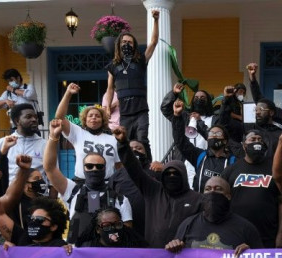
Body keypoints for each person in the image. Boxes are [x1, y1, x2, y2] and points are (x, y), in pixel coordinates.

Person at [43, 119, 132, 245]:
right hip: (77, 256)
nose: (94, 169)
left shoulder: (121, 199)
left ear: (105, 169)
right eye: (89, 166)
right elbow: (49, 168)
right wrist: (53, 137)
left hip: (107, 257)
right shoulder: (72, 190)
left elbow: (127, 236)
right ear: (83, 169)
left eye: (99, 166)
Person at [104, 10, 160, 158]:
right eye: (124, 42)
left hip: (141, 110)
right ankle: (126, 168)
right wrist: (108, 107)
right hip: (125, 113)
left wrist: (155, 20)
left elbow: (153, 42)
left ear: (134, 45)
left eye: (129, 42)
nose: (126, 44)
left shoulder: (140, 61)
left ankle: (147, 166)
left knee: (142, 139)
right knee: (125, 141)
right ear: (118, 45)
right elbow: (110, 88)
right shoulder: (113, 66)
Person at [220, 130, 282, 248]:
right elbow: (222, 201)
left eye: (259, 140)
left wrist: (281, 235)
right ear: (244, 145)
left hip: (267, 236)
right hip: (236, 235)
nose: (257, 142)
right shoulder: (231, 170)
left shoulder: (274, 169)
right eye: (252, 139)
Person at [165, 176, 262, 256]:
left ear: (228, 196)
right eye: (208, 189)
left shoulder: (246, 228)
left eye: (218, 189)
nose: (212, 192)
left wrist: (251, 254)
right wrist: (172, 247)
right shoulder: (188, 224)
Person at [54, 83, 121, 179]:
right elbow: (59, 117)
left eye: (97, 116)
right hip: (82, 184)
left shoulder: (113, 139)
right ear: (85, 120)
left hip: (107, 185)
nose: (94, 118)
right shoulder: (78, 133)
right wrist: (68, 93)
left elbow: (119, 166)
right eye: (90, 116)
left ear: (103, 120)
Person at [171, 99, 235, 193]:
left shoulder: (233, 161)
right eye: (211, 133)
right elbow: (180, 142)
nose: (213, 135)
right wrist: (177, 116)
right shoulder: (200, 156)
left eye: (217, 134)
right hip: (202, 203)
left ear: (225, 140)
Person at [0, 103, 45, 194]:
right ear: (17, 121)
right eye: (28, 117)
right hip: (10, 197)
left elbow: (52, 176)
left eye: (35, 117)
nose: (34, 120)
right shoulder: (2, 143)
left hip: (37, 199)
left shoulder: (45, 144)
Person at [76, 207, 147, 249]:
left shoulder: (134, 247)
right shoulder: (88, 248)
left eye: (117, 224)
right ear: (98, 229)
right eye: (107, 226)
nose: (113, 229)